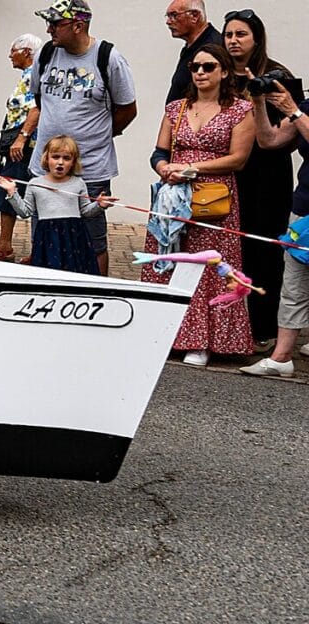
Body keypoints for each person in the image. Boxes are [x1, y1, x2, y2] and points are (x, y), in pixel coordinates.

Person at [144, 44, 255, 367]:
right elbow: (159, 151)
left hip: (213, 196)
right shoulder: (176, 108)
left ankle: (203, 341)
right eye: (195, 67)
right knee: (170, 259)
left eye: (208, 67)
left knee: (207, 266)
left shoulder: (239, 110)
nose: (201, 73)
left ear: (223, 71)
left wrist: (195, 169)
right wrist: (164, 168)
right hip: (173, 195)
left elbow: (239, 158)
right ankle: (165, 334)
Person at [17, 0, 137, 275]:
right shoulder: (47, 53)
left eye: (55, 23)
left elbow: (127, 109)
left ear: (78, 25)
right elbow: (39, 99)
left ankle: (97, 295)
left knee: (92, 241)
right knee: (44, 238)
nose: (48, 29)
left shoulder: (108, 57)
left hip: (90, 170)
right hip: (45, 170)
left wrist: (97, 136)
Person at [222, 9, 295, 352]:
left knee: (264, 250)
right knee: (231, 249)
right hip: (228, 172)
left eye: (241, 34)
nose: (234, 41)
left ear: (256, 39)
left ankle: (263, 327)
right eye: (229, 35)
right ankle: (228, 325)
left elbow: (291, 134)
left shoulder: (278, 75)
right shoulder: (216, 71)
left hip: (267, 175)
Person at [239, 81, 309, 376]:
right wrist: (258, 102)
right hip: (305, 207)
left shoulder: (299, 110)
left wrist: (293, 110)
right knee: (293, 284)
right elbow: (270, 141)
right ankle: (281, 358)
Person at [0, 135, 114, 274]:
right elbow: (25, 212)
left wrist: (99, 205)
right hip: (47, 236)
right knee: (49, 271)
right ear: (47, 158)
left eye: (66, 158)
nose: (60, 162)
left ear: (73, 162)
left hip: (74, 235)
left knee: (75, 270)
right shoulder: (35, 183)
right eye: (55, 157)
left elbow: (86, 211)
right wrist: (12, 193)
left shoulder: (78, 183)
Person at [0, 33, 42, 262]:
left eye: (13, 50)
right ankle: (6, 245)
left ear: (26, 52)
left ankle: (5, 246)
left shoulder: (33, 77)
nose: (10, 55)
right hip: (19, 146)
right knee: (8, 189)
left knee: (11, 189)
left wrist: (21, 138)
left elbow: (36, 108)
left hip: (26, 147)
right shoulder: (27, 76)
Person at [164, 1, 222, 104]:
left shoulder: (212, 48)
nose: (168, 21)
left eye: (174, 15)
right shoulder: (192, 45)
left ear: (195, 16)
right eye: (168, 16)